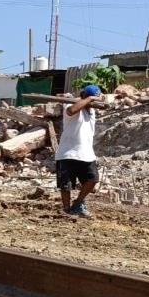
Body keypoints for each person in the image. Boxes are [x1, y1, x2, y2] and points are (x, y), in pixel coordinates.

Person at [56, 84, 101, 217]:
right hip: (67, 152)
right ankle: (66, 210)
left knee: (92, 179)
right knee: (66, 185)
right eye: (91, 99)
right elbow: (72, 110)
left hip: (86, 153)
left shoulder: (91, 111)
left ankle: (78, 203)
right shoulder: (69, 106)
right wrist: (89, 99)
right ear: (84, 97)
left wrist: (91, 101)